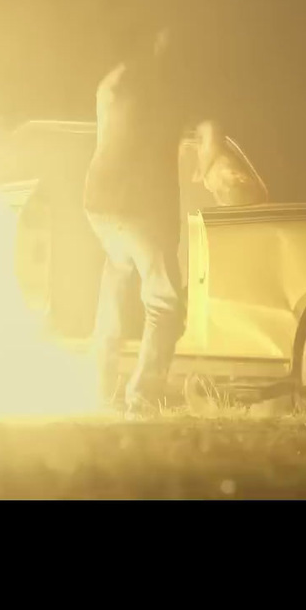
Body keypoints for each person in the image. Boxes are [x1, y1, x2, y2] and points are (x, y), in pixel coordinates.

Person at [84, 27, 190, 418]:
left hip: (99, 200)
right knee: (164, 303)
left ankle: (98, 387)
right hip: (138, 205)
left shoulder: (113, 81)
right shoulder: (160, 87)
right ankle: (144, 395)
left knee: (116, 276)